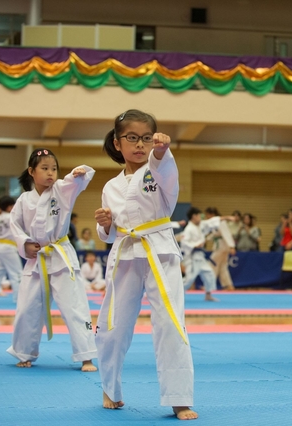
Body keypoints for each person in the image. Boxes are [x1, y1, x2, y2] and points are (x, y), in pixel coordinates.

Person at [94, 110, 196, 420]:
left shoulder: (158, 170)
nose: (140, 144)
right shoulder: (111, 186)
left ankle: (179, 398)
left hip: (160, 253)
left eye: (146, 138)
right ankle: (110, 387)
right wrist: (105, 225)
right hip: (125, 254)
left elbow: (165, 170)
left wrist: (161, 151)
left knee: (170, 322)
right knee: (113, 325)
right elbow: (109, 234)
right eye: (132, 138)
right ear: (117, 143)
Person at [7, 148, 97, 373]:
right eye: (45, 168)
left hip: (61, 256)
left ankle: (86, 355)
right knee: (27, 307)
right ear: (31, 171)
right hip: (36, 258)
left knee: (74, 306)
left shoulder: (61, 190)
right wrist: (25, 243)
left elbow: (77, 181)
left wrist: (79, 173)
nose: (50, 173)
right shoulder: (24, 200)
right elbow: (14, 225)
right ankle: (24, 352)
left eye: (54, 169)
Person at [181, 206, 219, 301]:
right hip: (192, 257)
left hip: (200, 257)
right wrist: (195, 246)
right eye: (199, 216)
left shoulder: (200, 225)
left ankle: (208, 295)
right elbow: (184, 242)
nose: (200, 218)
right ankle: (175, 295)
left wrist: (226, 218)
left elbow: (210, 222)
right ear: (194, 216)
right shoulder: (189, 229)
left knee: (209, 273)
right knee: (189, 279)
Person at [204, 207, 236, 290]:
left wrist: (231, 246)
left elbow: (226, 234)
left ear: (212, 214)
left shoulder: (221, 222)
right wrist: (206, 239)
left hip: (222, 247)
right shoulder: (214, 224)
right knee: (223, 267)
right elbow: (215, 235)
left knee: (212, 264)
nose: (207, 217)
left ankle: (209, 286)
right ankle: (228, 286)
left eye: (207, 215)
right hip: (221, 247)